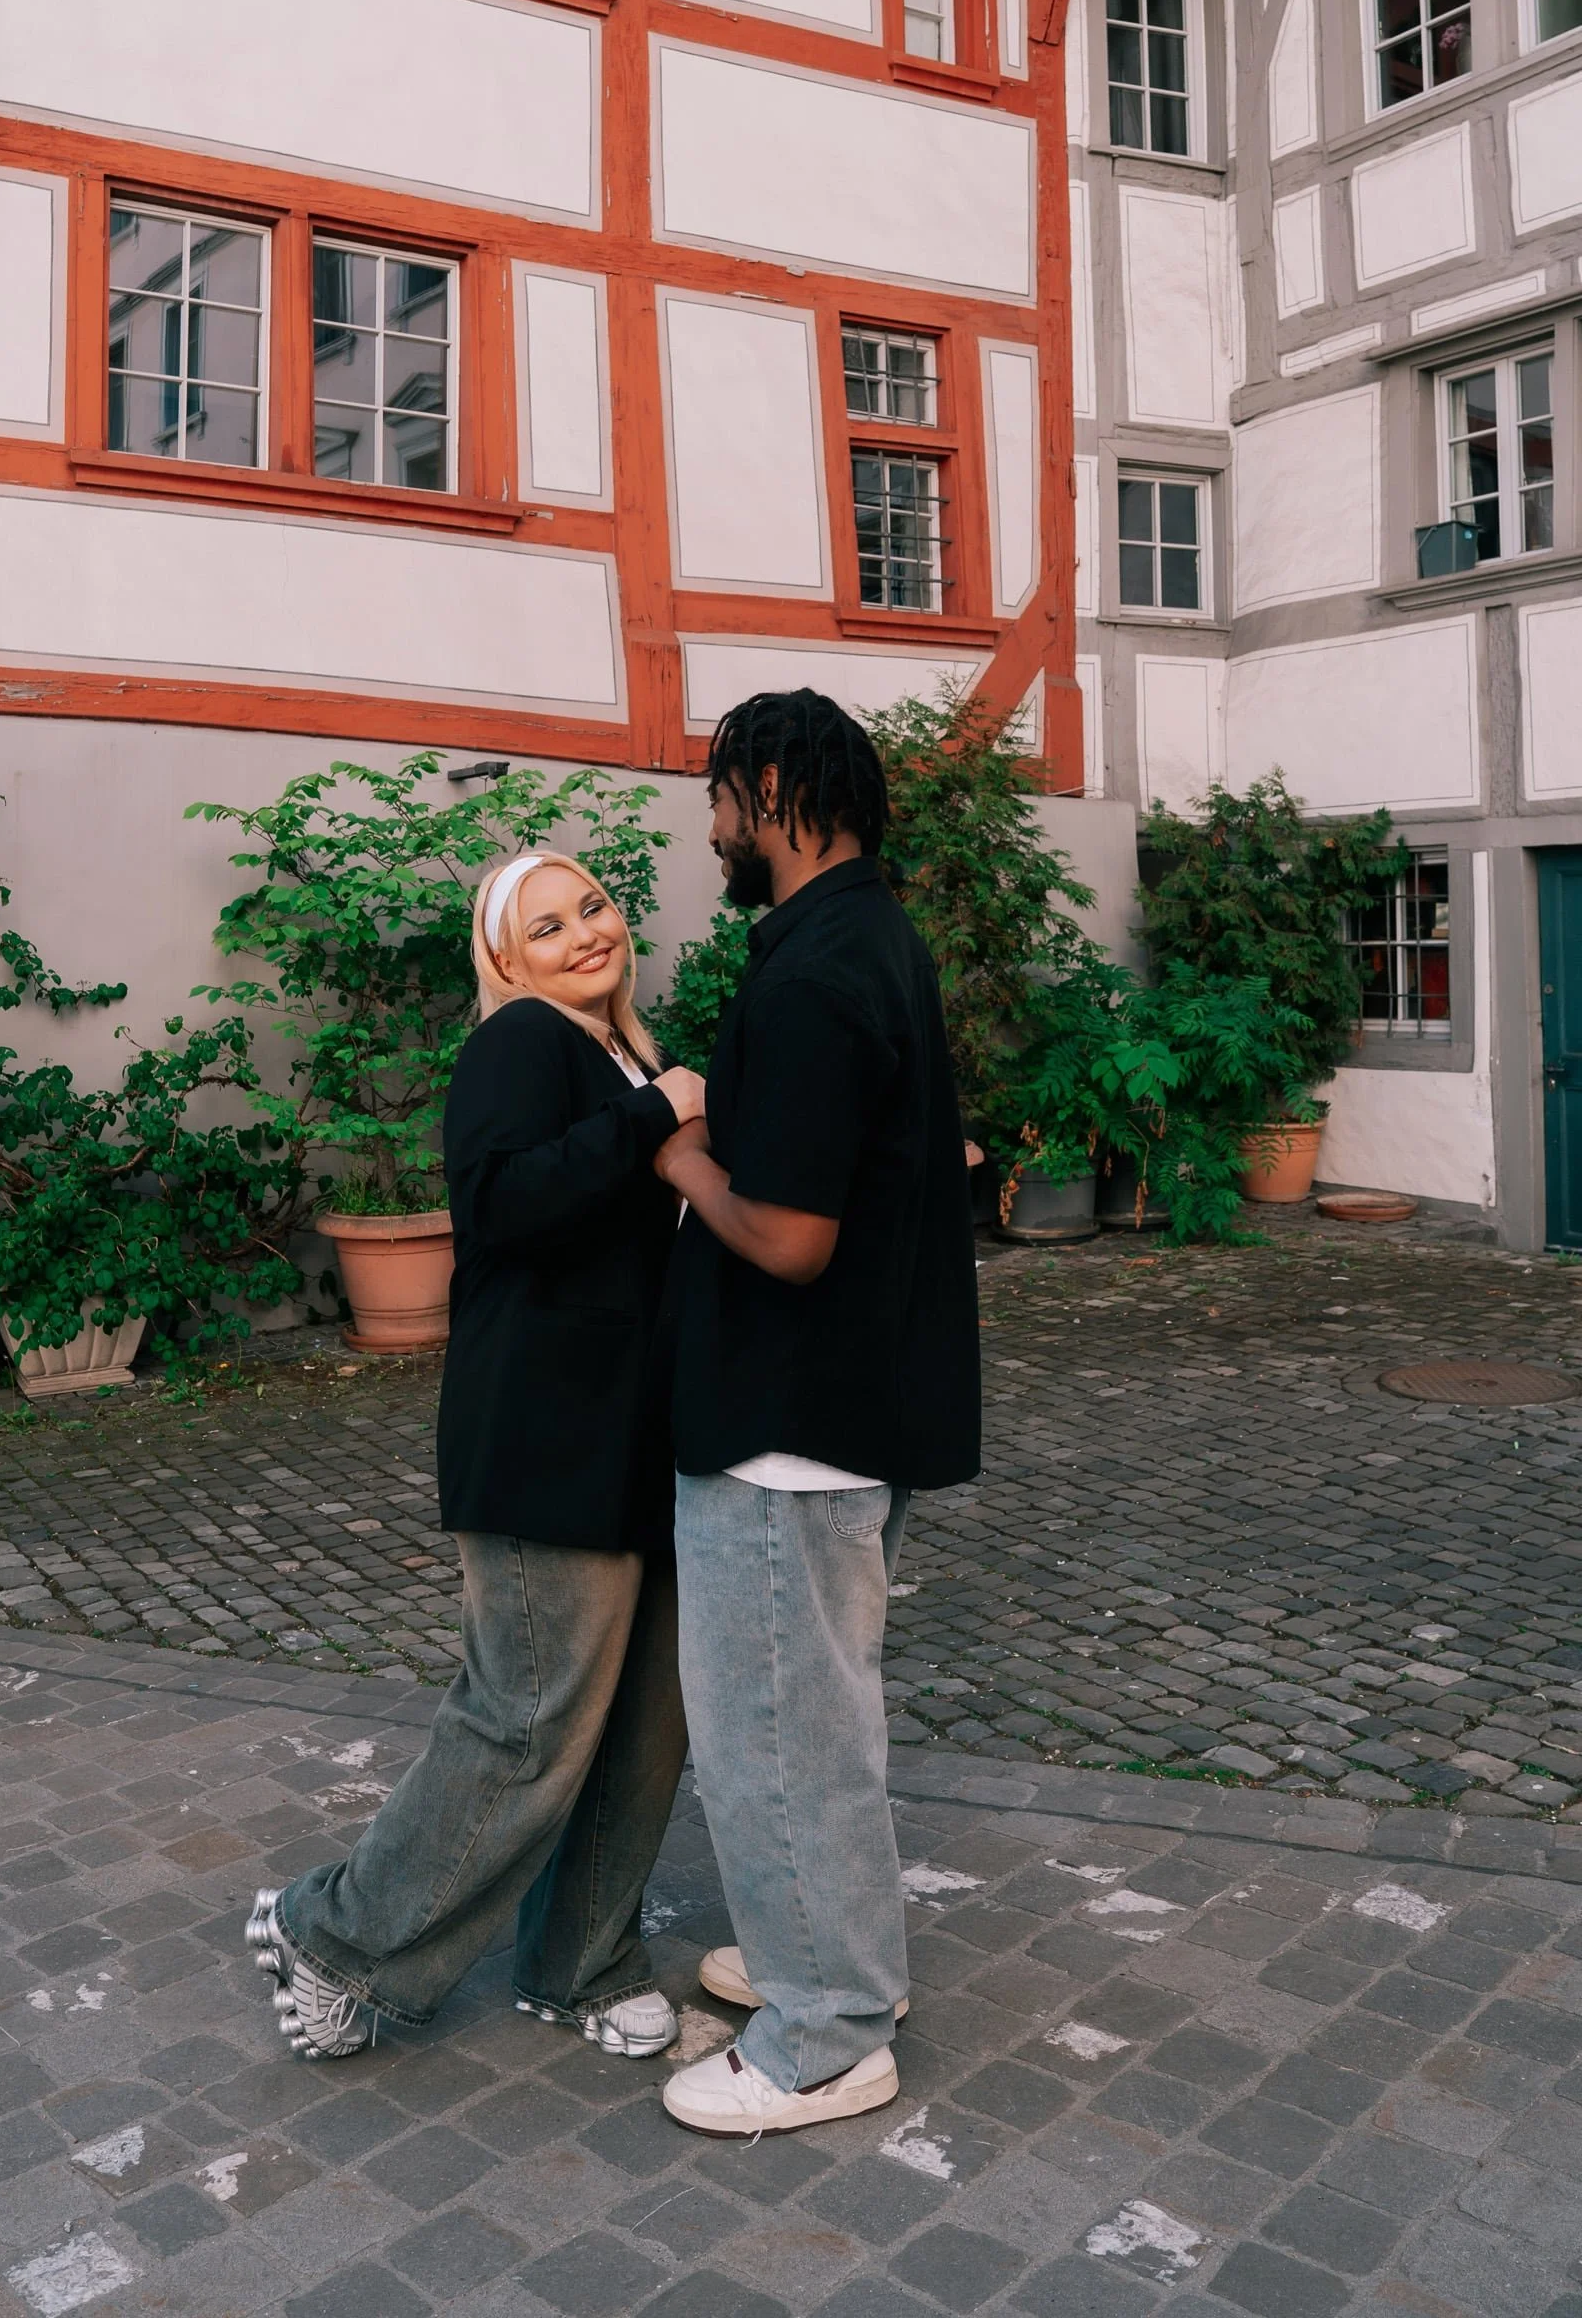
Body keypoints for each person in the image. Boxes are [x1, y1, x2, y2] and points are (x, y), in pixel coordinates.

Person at [248, 848, 705, 2062]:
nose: (581, 935)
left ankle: (581, 1962)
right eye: (544, 926)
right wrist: (657, 1117)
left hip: (639, 1439)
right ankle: (331, 1932)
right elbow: (500, 1203)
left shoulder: (630, 1058)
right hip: (544, 1438)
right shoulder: (523, 1046)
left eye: (591, 907)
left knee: (644, 1722)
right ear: (506, 961)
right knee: (530, 1720)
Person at [651, 688, 980, 2139]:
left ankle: (824, 2035)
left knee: (774, 1733)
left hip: (792, 1430)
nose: (711, 823)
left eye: (721, 795)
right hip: (859, 1404)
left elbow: (789, 1237)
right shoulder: (874, 940)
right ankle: (836, 1962)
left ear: (774, 788)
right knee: (822, 1723)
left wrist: (677, 1156)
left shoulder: (807, 977)